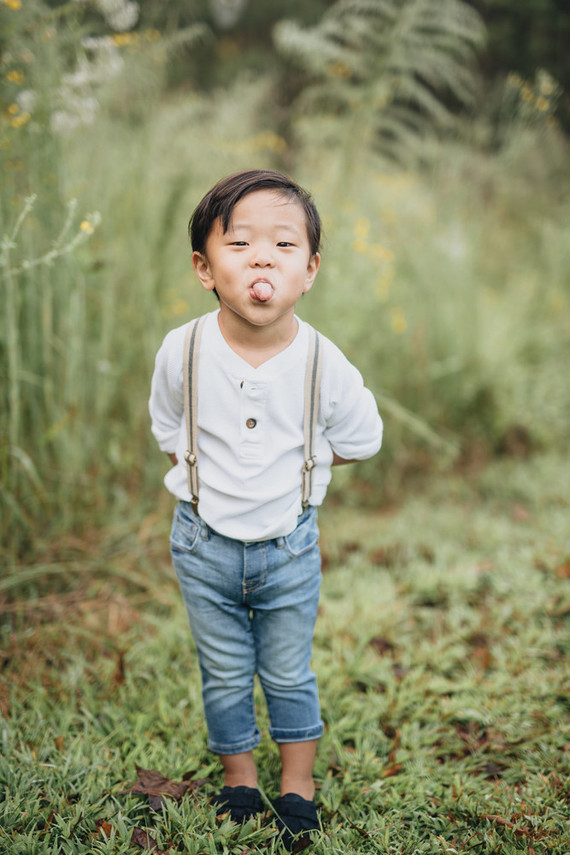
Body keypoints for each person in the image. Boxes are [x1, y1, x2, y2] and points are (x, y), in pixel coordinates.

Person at [149, 169, 382, 850]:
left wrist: (301, 462)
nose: (261, 258)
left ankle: (297, 786)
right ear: (204, 267)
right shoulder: (182, 349)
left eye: (283, 244)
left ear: (309, 271)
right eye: (240, 242)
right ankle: (240, 778)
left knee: (286, 669)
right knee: (222, 668)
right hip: (202, 543)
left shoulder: (322, 362)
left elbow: (363, 438)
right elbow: (169, 423)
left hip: (287, 547)